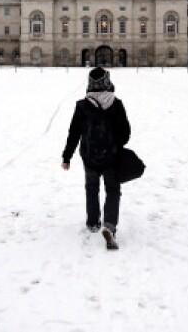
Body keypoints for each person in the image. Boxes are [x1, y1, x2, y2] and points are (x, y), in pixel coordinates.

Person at [62, 66, 131, 250]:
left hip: (89, 156)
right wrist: (115, 144)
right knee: (113, 191)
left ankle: (93, 222)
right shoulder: (116, 104)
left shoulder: (82, 106)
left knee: (91, 189)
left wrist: (66, 156)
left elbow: (74, 133)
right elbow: (126, 134)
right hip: (111, 157)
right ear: (107, 83)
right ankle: (109, 225)